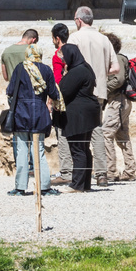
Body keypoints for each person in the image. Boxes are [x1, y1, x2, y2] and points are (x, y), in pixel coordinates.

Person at [69, 6, 118, 188]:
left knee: (79, 134)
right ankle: (102, 174)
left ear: (79, 20)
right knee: (96, 131)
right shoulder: (104, 39)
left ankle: (80, 176)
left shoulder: (75, 38)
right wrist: (99, 72)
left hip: (80, 92)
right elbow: (115, 68)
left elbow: (69, 63)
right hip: (99, 93)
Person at [5, 42, 60, 196]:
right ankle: (44, 187)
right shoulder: (46, 70)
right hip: (39, 113)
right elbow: (53, 93)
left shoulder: (20, 68)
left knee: (21, 150)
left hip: (21, 113)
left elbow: (10, 91)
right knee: (39, 151)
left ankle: (20, 187)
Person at [56, 43, 101, 192]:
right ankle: (84, 184)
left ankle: (77, 185)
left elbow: (64, 90)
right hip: (87, 111)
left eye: (64, 56)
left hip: (78, 114)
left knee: (77, 149)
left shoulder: (77, 71)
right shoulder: (85, 67)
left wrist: (64, 76)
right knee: (84, 148)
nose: (63, 59)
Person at [101, 31, 136, 182]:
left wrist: (103, 88)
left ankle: (110, 171)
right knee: (122, 136)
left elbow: (119, 79)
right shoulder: (118, 58)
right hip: (122, 102)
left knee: (105, 133)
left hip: (118, 101)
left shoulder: (117, 59)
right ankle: (130, 171)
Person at [49, 23, 72, 179]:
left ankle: (66, 171)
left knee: (62, 134)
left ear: (57, 38)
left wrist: (52, 100)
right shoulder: (75, 51)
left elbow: (57, 80)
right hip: (78, 96)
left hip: (63, 99)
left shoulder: (58, 55)